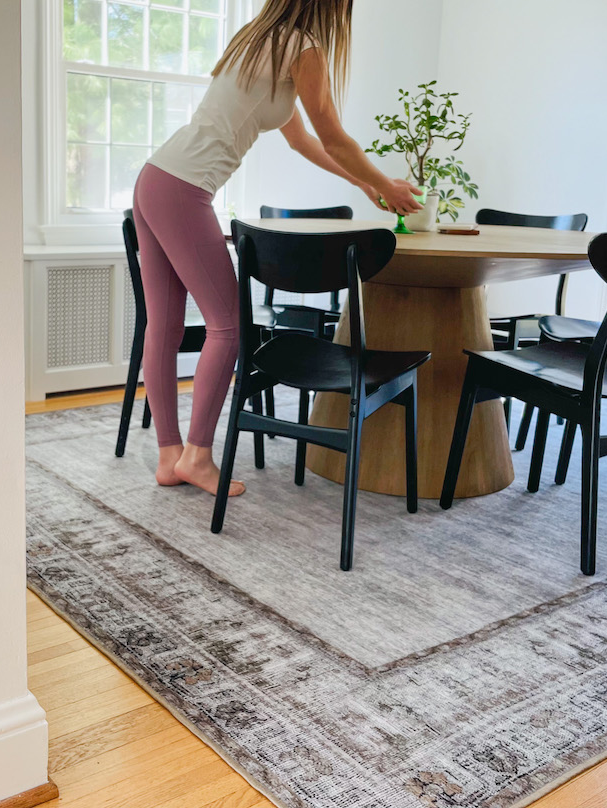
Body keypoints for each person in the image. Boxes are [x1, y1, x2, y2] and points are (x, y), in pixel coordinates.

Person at [132, 0, 422, 497]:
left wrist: (361, 184)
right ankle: (197, 457)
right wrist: (383, 183)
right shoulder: (305, 47)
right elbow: (332, 134)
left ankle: (169, 457)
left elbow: (302, 141)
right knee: (229, 327)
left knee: (166, 325)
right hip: (184, 188)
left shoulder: (259, 37)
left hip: (155, 178)